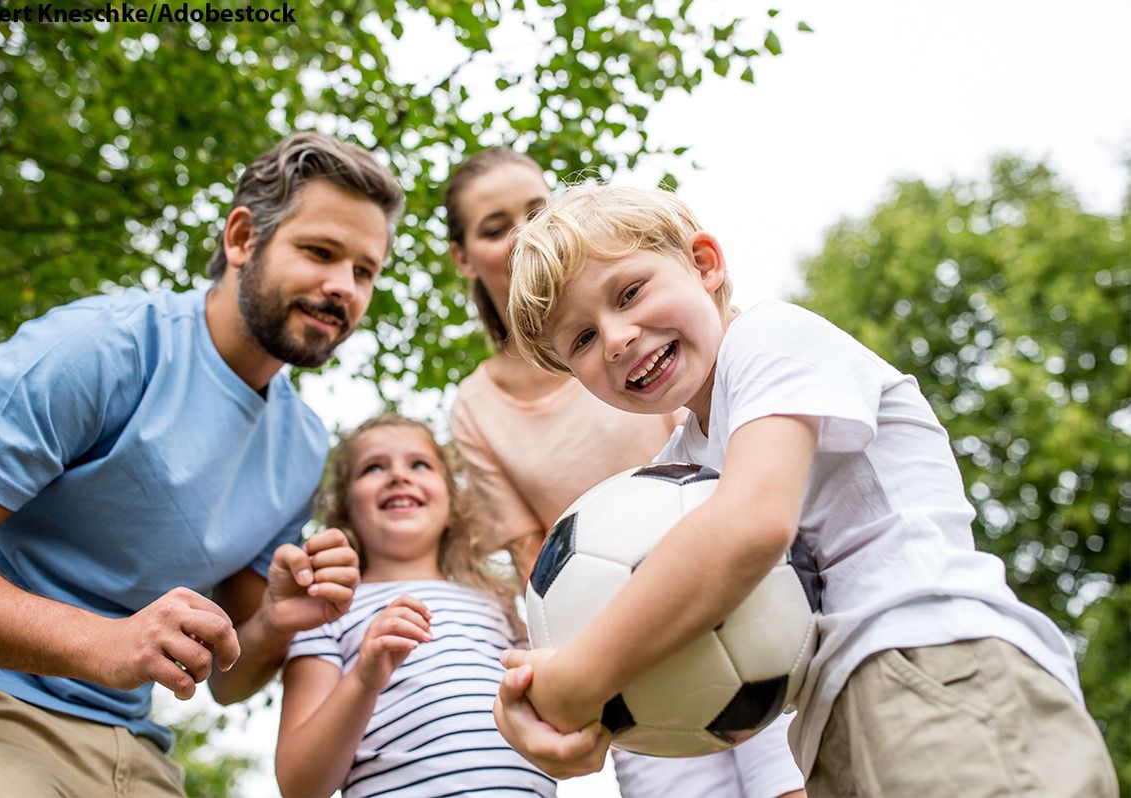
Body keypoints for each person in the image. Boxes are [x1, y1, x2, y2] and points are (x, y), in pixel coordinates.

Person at [493, 184, 1119, 796]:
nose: (617, 337)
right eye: (581, 339)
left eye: (629, 292)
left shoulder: (770, 339)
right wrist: (556, 715)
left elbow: (751, 526)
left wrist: (576, 680)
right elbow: (674, 618)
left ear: (704, 263)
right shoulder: (673, 476)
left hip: (937, 666)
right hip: (829, 731)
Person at [0, 132, 404, 796]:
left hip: (141, 754)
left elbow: (229, 679)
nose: (342, 289)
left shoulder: (301, 447)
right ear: (242, 239)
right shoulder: (99, 350)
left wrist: (275, 622)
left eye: (364, 271)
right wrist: (103, 643)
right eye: (319, 252)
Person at [446, 149, 804, 798]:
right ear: (464, 257)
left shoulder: (658, 350)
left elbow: (748, 490)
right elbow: (537, 556)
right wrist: (575, 677)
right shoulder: (475, 407)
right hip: (624, 659)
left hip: (756, 599)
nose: (526, 231)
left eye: (536, 209)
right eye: (496, 227)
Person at [275, 414, 554, 798]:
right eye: (373, 467)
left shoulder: (499, 603)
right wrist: (364, 679)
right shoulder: (326, 610)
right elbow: (299, 784)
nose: (398, 476)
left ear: (452, 502)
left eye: (419, 464)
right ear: (344, 506)